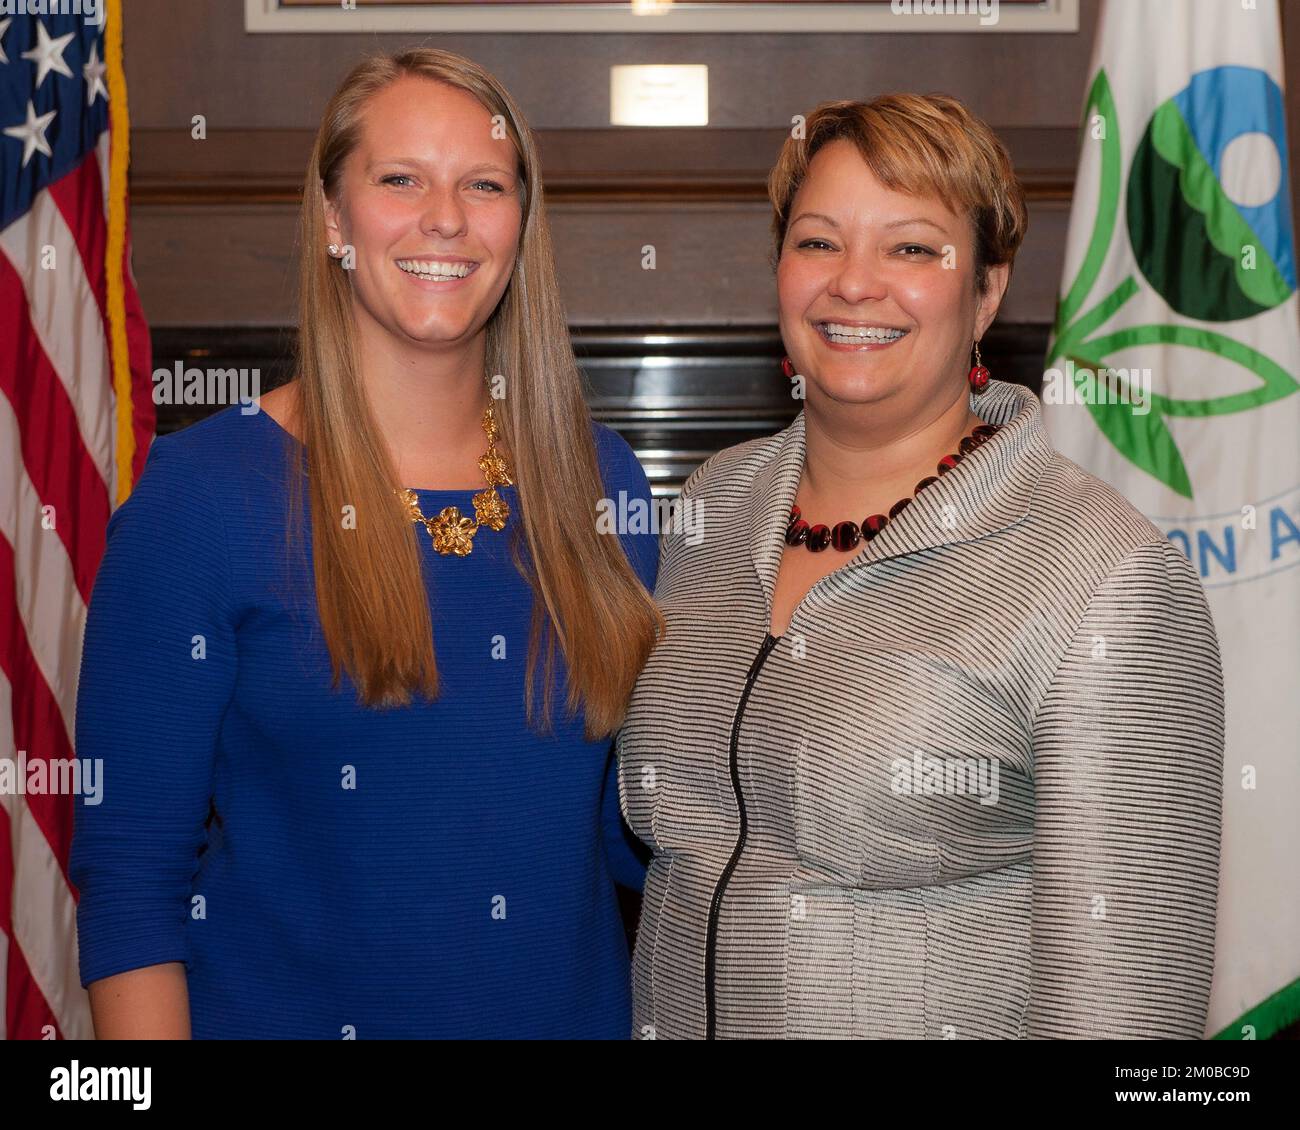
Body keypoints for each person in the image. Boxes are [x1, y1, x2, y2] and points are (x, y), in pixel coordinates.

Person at [71, 48, 661, 1039]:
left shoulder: (603, 484)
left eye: (484, 183)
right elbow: (131, 884)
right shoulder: (200, 500)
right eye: (400, 180)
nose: (445, 217)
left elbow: (632, 834)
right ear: (336, 221)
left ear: (520, 222)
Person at [616, 94, 1225, 1040]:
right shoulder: (710, 509)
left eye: (911, 248)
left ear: (986, 293)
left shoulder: (1106, 576)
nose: (855, 285)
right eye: (819, 242)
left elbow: (1128, 1016)